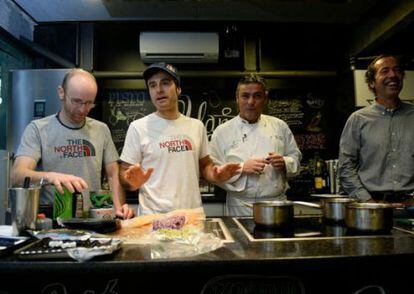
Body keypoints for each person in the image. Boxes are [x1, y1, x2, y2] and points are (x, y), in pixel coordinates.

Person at [118, 63, 241, 215]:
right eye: (152, 85)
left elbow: (205, 166)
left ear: (178, 89)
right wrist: (131, 182)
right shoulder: (138, 127)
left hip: (191, 216)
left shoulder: (196, 126)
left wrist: (215, 174)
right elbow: (124, 175)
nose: (159, 90)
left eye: (165, 83)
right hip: (154, 218)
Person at [11, 68, 134, 219]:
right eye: (76, 101)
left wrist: (118, 208)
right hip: (51, 219)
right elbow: (17, 175)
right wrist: (50, 176)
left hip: (91, 219)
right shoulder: (38, 129)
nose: (82, 109)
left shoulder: (101, 130)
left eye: (89, 103)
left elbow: (113, 175)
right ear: (61, 93)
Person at [209, 74, 302, 216]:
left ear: (265, 98)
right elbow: (214, 172)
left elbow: (295, 158)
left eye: (257, 96)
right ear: (237, 98)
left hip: (275, 205)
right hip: (240, 207)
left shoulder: (279, 126)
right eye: (245, 96)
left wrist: (285, 162)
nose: (251, 102)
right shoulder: (222, 132)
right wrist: (241, 168)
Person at [338, 54, 414, 203]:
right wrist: (368, 202)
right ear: (371, 83)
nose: (393, 75)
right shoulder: (358, 119)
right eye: (385, 71)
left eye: (397, 70)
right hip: (372, 207)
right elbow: (346, 167)